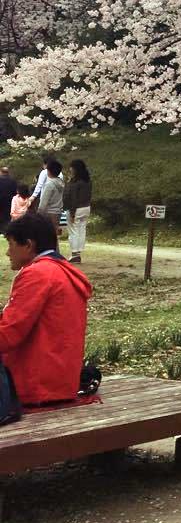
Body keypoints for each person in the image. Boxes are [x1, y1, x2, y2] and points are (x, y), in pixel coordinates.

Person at [0, 213, 92, 406]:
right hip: (61, 382)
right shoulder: (64, 270)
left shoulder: (37, 274)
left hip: (36, 386)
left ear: (28, 245)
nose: (8, 253)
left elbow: (8, 334)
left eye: (11, 244)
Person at [64, 160, 92, 264]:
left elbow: (73, 198)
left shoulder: (75, 182)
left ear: (75, 169)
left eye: (71, 167)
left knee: (73, 230)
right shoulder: (88, 181)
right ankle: (78, 252)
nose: (70, 169)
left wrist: (72, 212)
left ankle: (75, 254)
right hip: (86, 208)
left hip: (77, 208)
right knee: (81, 230)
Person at [37, 158, 65, 230]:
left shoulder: (49, 185)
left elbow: (44, 202)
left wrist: (39, 214)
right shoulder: (61, 183)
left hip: (48, 213)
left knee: (47, 234)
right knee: (54, 233)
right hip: (58, 212)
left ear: (48, 171)